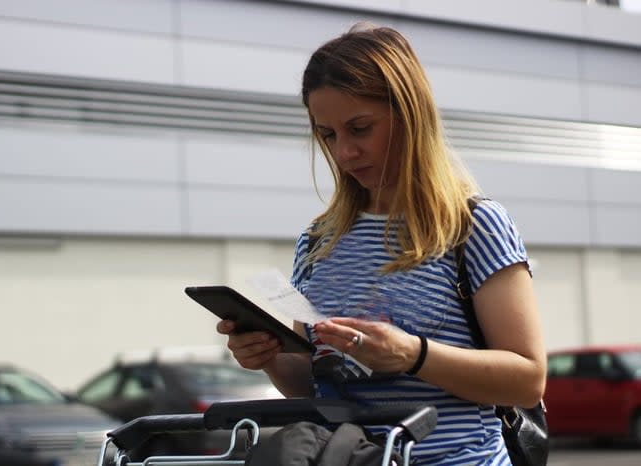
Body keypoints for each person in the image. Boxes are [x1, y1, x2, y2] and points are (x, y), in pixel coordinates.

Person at [216, 22, 546, 465]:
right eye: (328, 135)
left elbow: (527, 380)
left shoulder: (474, 225)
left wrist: (413, 355)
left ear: (410, 114)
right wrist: (270, 357)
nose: (343, 152)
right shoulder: (318, 241)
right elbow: (316, 386)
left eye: (360, 128)